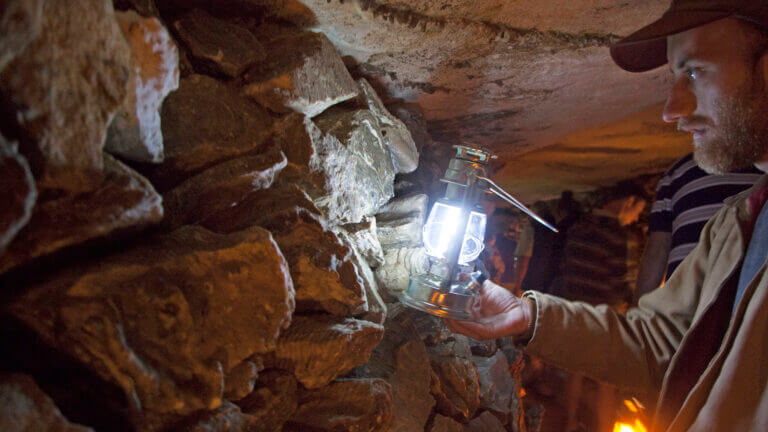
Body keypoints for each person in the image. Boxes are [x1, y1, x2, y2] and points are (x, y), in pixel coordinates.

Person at [445, 3, 768, 431]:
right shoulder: (737, 224)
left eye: (694, 72)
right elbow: (660, 341)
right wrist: (528, 315)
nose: (671, 110)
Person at [636, 152, 762, 298]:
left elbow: (657, 251)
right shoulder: (762, 169)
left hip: (687, 302)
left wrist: (638, 311)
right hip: (750, 301)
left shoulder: (678, 172)